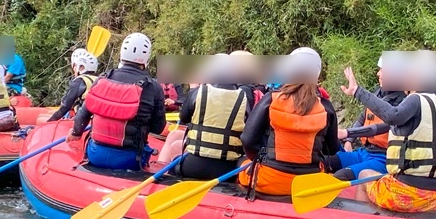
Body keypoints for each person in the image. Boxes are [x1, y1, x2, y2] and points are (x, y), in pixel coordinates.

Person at [341, 55, 436, 213]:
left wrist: (357, 91)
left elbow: (392, 116)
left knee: (364, 175)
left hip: (409, 193)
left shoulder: (416, 100)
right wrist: (348, 134)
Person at [238, 47, 339, 197]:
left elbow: (247, 139)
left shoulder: (270, 99)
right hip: (309, 182)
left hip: (270, 180)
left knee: (242, 164)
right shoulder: (325, 106)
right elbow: (332, 148)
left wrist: (259, 158)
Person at [68, 33, 166, 171]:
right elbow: (158, 128)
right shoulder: (153, 88)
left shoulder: (103, 78)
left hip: (95, 154)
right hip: (131, 160)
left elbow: (82, 115)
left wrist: (75, 133)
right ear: (146, 58)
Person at [158, 54, 253, 180]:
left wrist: (193, 90)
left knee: (175, 155)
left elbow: (184, 118)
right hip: (228, 168)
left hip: (194, 165)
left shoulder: (199, 92)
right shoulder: (245, 97)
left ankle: (161, 181)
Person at [326, 54, 406, 179]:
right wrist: (348, 141)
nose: (378, 74)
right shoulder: (378, 93)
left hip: (384, 158)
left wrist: (347, 133)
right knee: (325, 162)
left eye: (382, 70)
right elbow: (362, 118)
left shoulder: (403, 104)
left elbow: (378, 127)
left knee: (341, 176)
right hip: (365, 152)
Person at [47, 49, 100, 122]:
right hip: (98, 119)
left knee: (41, 119)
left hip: (86, 120)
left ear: (81, 67)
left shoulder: (79, 81)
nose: (73, 69)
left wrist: (50, 122)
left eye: (75, 66)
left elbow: (65, 107)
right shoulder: (100, 79)